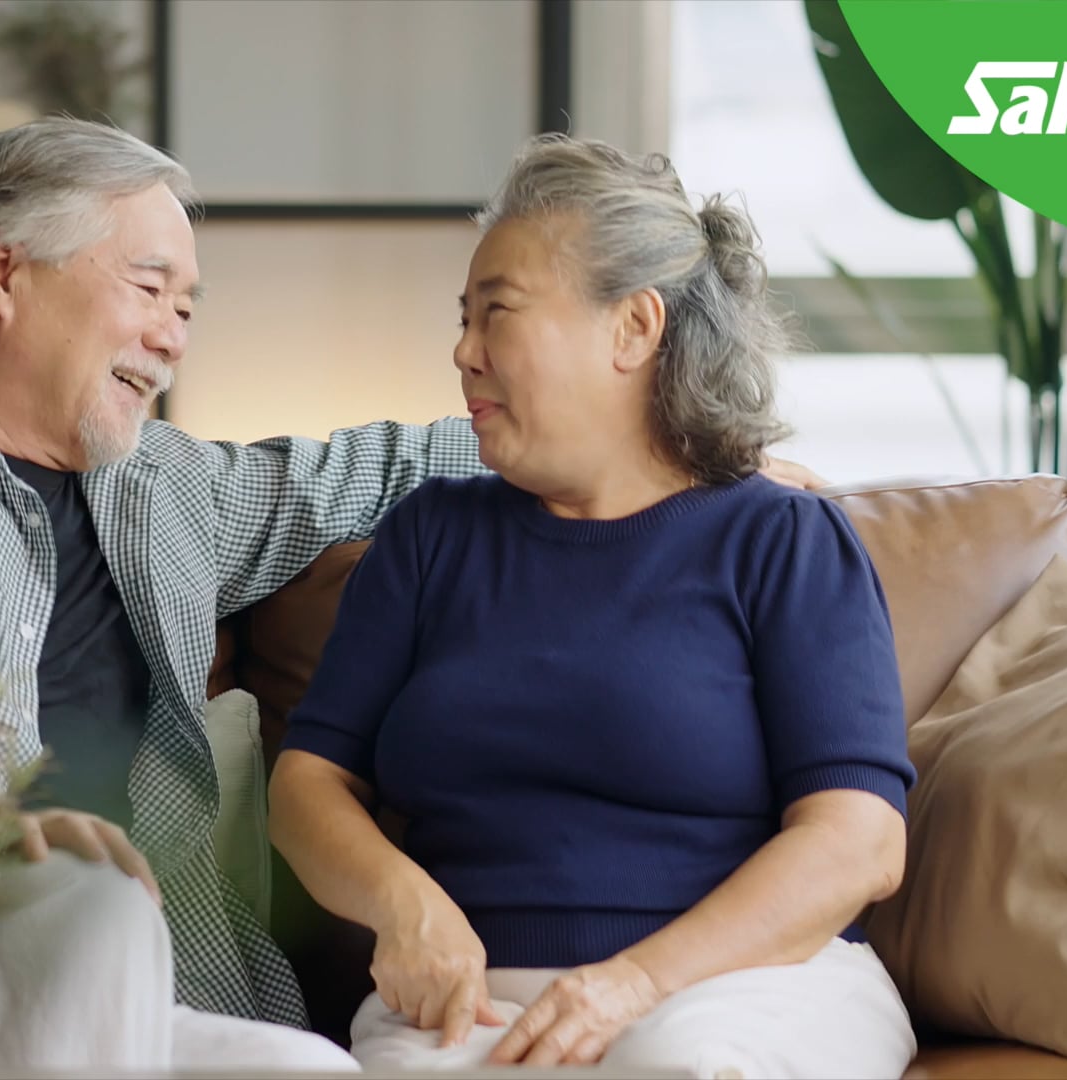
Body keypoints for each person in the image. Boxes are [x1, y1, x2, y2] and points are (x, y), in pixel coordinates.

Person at [0, 118, 825, 1078]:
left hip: (99, 997)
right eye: (150, 287)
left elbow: (366, 467)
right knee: (80, 900)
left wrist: (671, 444)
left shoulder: (163, 493)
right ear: (1, 273)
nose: (176, 333)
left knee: (317, 1069)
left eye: (190, 306)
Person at [268, 135, 918, 1080]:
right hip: (473, 1005)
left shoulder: (782, 541)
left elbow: (859, 843)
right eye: (463, 317)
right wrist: (405, 906)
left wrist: (632, 983)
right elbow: (307, 786)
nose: (462, 350)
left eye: (498, 314)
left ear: (634, 329)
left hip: (742, 987)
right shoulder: (432, 537)